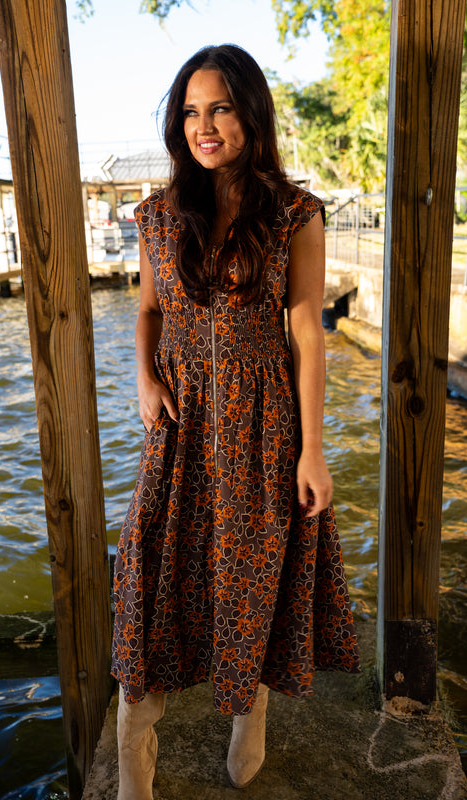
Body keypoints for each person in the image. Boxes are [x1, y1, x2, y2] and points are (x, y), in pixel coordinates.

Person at [111, 43, 360, 799]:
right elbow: (148, 310)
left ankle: (247, 712)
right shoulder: (157, 217)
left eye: (219, 107)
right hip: (180, 432)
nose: (203, 124)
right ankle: (131, 761)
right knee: (148, 579)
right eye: (189, 111)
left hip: (263, 429)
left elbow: (308, 332)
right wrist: (145, 378)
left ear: (250, 111)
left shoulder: (294, 215)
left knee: (248, 583)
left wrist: (312, 451)